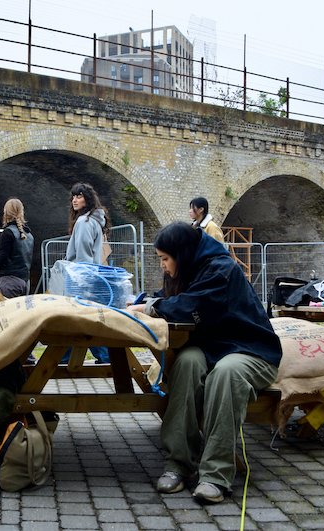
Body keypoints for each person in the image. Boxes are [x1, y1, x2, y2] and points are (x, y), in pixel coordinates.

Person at [127, 222, 281, 504]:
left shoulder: (223, 269)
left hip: (250, 349)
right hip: (211, 347)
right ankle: (178, 464)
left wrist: (149, 307)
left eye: (165, 259)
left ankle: (215, 474)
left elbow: (191, 305)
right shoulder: (191, 268)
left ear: (182, 254)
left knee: (226, 373)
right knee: (186, 362)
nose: (162, 266)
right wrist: (149, 301)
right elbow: (176, 299)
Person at [64, 182, 111, 364]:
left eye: (79, 196)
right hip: (90, 275)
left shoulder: (84, 223)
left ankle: (65, 356)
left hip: (81, 278)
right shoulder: (93, 221)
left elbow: (83, 256)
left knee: (77, 319)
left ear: (88, 199)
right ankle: (102, 355)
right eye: (74, 197)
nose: (75, 200)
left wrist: (80, 282)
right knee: (83, 321)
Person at [0, 198, 34, 298]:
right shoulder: (29, 235)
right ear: (22, 212)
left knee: (6, 313)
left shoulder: (8, 232)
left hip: (10, 283)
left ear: (5, 213)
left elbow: (1, 257)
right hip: (25, 282)